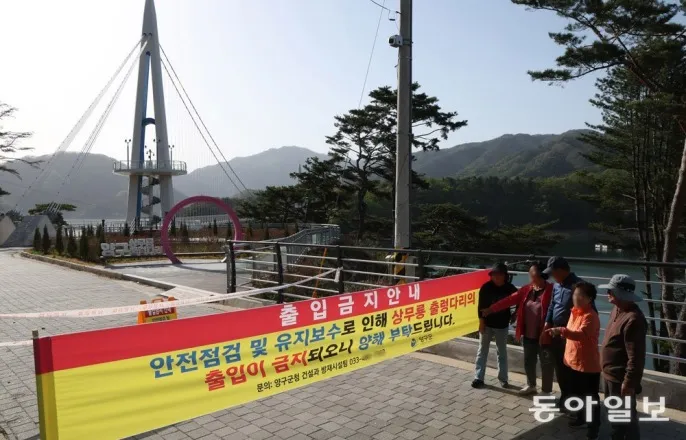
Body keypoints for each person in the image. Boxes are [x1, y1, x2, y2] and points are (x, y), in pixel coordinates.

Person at [481, 261, 554, 395]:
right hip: (528, 333)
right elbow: (509, 300)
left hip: (544, 335)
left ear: (540, 274)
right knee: (528, 361)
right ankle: (531, 385)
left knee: (546, 364)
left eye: (531, 272)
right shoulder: (527, 289)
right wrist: (491, 309)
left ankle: (546, 391)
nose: (529, 275)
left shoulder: (552, 290)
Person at [547, 282, 601, 440]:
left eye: (581, 295)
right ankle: (581, 417)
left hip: (587, 364)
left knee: (590, 398)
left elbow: (580, 335)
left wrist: (560, 330)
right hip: (572, 361)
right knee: (577, 393)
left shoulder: (591, 316)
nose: (576, 298)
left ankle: (593, 429)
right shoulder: (574, 312)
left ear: (590, 299)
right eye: (575, 294)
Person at [540, 256, 596, 410]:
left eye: (553, 273)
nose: (552, 276)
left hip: (572, 334)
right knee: (560, 367)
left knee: (572, 370)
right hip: (556, 332)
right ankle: (565, 397)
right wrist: (547, 324)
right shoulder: (556, 286)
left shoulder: (579, 287)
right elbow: (552, 305)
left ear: (561, 270)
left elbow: (590, 311)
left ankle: (574, 401)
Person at [599, 274, 647, 440]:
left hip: (620, 379)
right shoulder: (617, 309)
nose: (607, 293)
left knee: (624, 418)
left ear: (621, 294)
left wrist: (629, 382)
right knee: (614, 414)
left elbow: (636, 357)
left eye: (610, 291)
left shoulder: (634, 319)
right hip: (609, 374)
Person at [472, 263, 518, 389]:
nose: (496, 277)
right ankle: (478, 377)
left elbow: (520, 299)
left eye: (499, 274)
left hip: (502, 325)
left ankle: (503, 379)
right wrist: (481, 323)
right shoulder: (486, 287)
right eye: (494, 274)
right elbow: (480, 307)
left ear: (505, 276)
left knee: (501, 352)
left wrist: (515, 313)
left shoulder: (509, 288)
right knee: (482, 351)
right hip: (487, 324)